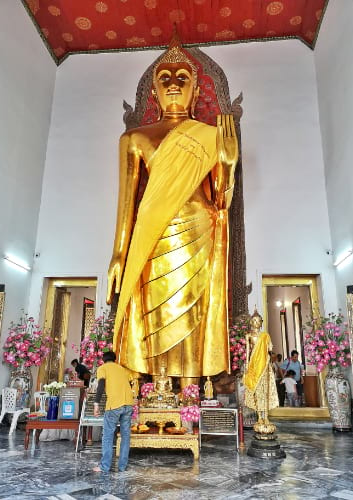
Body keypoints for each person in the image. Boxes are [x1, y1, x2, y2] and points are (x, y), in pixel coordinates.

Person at [106, 32, 238, 385]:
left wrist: (227, 162)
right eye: (165, 78)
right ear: (154, 92)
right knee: (154, 311)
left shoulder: (210, 136)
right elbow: (127, 203)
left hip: (200, 233)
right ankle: (157, 386)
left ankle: (191, 388)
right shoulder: (135, 138)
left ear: (196, 90)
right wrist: (120, 253)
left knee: (193, 310)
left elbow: (222, 199)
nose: (174, 84)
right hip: (153, 236)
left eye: (184, 78)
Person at [93, 351, 134, 473]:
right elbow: (129, 384)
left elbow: (101, 385)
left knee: (107, 436)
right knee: (125, 436)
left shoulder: (103, 368)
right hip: (128, 404)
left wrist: (96, 403)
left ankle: (104, 466)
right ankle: (122, 466)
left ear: (103, 359)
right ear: (114, 359)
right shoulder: (122, 369)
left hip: (114, 405)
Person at [244, 309, 279, 427]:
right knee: (257, 392)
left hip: (264, 366)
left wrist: (270, 362)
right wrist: (247, 366)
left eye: (258, 320)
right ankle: (259, 417)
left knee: (265, 391)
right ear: (250, 322)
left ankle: (267, 417)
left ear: (261, 322)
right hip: (254, 367)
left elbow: (270, 350)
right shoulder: (248, 336)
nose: (256, 323)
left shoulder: (265, 335)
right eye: (253, 320)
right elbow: (248, 352)